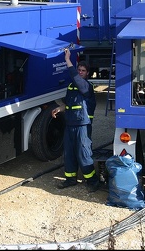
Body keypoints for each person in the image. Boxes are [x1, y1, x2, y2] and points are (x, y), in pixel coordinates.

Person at [52, 48, 99, 192]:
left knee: (83, 153)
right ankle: (70, 179)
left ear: (87, 74)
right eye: (79, 70)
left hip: (82, 125)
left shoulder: (86, 86)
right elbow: (69, 103)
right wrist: (59, 108)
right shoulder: (71, 86)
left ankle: (92, 181)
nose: (80, 72)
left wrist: (67, 60)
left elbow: (76, 79)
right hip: (70, 124)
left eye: (83, 71)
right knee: (70, 152)